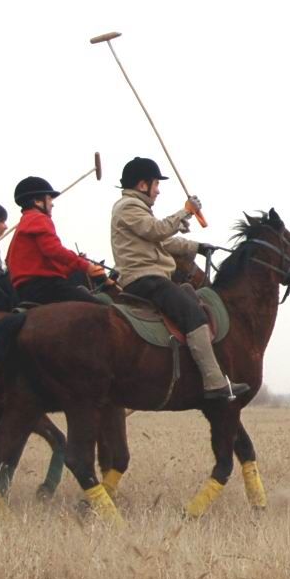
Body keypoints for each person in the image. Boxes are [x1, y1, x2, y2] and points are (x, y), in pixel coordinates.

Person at [111, 157, 249, 400]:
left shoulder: (139, 209)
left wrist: (197, 247)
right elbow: (158, 230)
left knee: (189, 294)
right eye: (156, 184)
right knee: (193, 315)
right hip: (145, 279)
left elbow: (164, 240)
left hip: (153, 276)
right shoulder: (128, 207)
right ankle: (213, 382)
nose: (158, 190)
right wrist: (185, 211)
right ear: (143, 185)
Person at [6, 177, 106, 305]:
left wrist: (73, 267)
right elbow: (54, 250)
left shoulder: (23, 224)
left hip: (24, 291)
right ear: (37, 201)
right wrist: (87, 266)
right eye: (49, 199)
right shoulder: (39, 218)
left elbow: (45, 263)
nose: (52, 203)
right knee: (100, 309)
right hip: (46, 287)